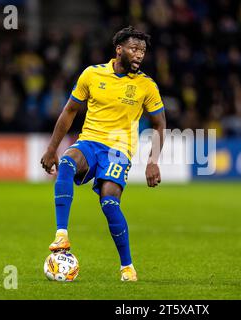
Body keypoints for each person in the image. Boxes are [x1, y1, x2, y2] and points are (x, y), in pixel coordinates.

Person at [40, 26, 166, 282]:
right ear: (119, 49)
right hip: (90, 142)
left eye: (142, 50)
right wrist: (52, 148)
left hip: (119, 150)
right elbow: (69, 111)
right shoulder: (92, 74)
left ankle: (127, 267)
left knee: (109, 202)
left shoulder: (146, 86)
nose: (139, 54)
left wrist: (153, 161)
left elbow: (159, 124)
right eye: (134, 48)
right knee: (66, 162)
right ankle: (61, 234)